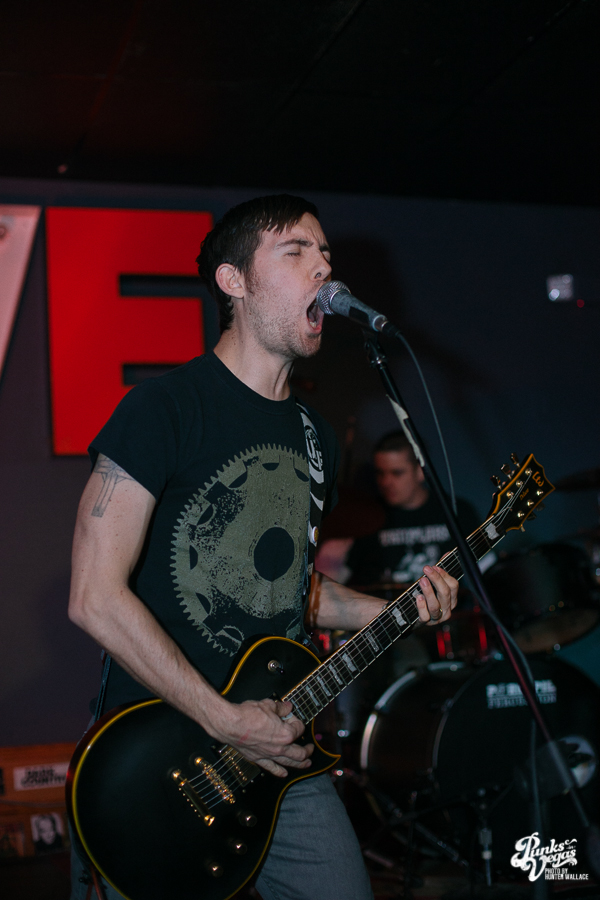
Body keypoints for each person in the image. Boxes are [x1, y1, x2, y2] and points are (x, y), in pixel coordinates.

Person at [68, 194, 458, 900]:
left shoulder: (314, 437)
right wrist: (224, 719)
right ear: (234, 281)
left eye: (326, 253)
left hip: (279, 749)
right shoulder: (164, 409)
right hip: (160, 754)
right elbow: (94, 596)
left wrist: (397, 611)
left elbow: (290, 593)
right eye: (297, 251)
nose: (324, 268)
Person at [346, 430, 481, 589]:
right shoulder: (366, 516)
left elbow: (486, 571)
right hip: (384, 603)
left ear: (421, 471)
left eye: (397, 473)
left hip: (445, 603)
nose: (386, 482)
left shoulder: (457, 511)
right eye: (380, 473)